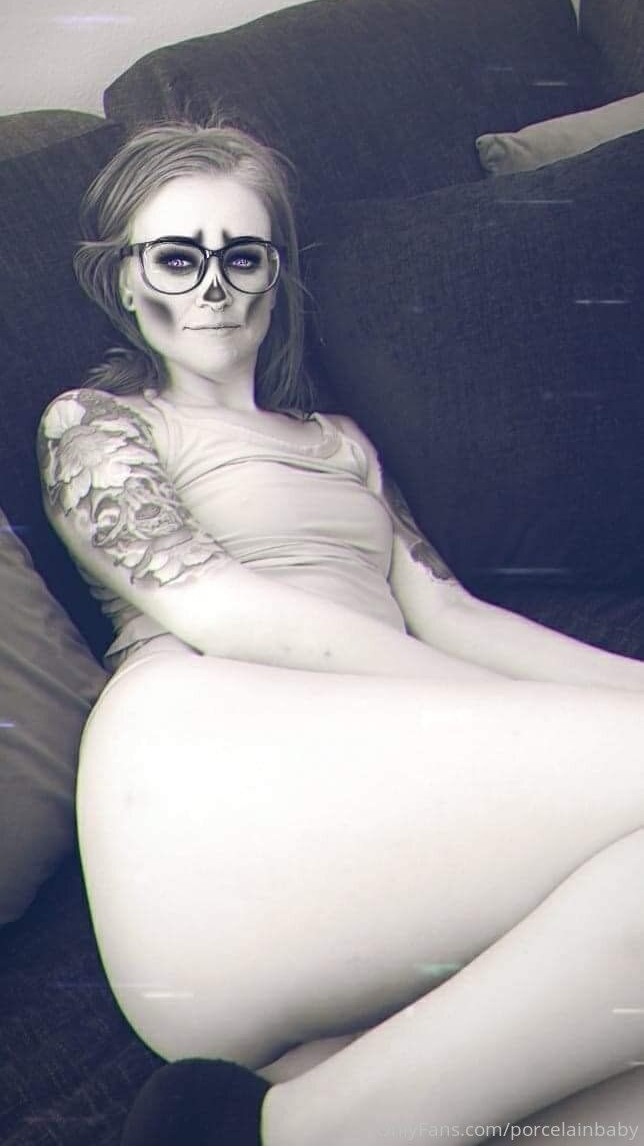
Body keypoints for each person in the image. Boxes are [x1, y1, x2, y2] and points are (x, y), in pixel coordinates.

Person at [37, 119, 644, 1146]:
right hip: (206, 783)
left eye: (243, 257)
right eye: (177, 259)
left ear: (275, 278)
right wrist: (511, 713)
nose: (215, 286)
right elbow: (221, 608)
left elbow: (453, 613)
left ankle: (284, 1122)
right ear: (124, 282)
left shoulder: (338, 443)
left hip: (368, 809)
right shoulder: (97, 421)